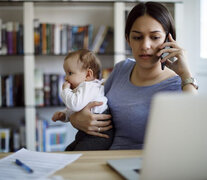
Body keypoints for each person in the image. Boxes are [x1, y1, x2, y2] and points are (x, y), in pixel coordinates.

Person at [67, 2, 198, 150]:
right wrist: (75, 118)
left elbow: (194, 132)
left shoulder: (179, 85)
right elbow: (91, 100)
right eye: (137, 37)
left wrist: (186, 74)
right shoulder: (121, 69)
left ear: (168, 41)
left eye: (154, 37)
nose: (145, 45)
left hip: (145, 166)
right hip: (104, 159)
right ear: (128, 39)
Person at [52, 49, 113, 150]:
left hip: (99, 135)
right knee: (69, 150)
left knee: (80, 154)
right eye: (66, 73)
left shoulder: (90, 87)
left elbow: (75, 105)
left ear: (88, 75)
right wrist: (64, 115)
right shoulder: (82, 89)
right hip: (86, 132)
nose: (66, 78)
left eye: (70, 73)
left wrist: (65, 90)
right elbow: (76, 109)